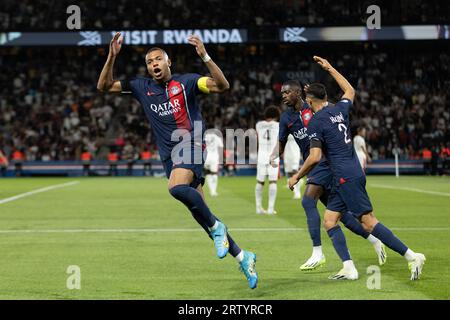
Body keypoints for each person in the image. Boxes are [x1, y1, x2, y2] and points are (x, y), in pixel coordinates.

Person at [97, 32, 257, 289]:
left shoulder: (188, 82)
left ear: (168, 62)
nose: (154, 64)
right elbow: (103, 86)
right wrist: (111, 57)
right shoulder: (141, 87)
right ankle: (242, 256)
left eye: (158, 59)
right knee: (199, 213)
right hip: (169, 156)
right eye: (149, 62)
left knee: (176, 189)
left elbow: (222, 85)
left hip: (191, 144)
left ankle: (219, 227)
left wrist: (204, 55)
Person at [289, 56, 425, 280]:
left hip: (345, 177)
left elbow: (314, 157)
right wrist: (331, 68)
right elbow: (350, 90)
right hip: (350, 172)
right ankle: (349, 268)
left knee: (368, 222)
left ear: (310, 101)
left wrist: (296, 176)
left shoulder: (316, 121)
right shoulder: (339, 110)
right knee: (330, 220)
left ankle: (411, 256)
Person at [271, 80, 385, 271]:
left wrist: (298, 175)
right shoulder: (286, 119)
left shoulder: (314, 108)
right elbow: (281, 141)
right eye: (281, 93)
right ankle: (373, 241)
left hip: (323, 161)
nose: (283, 96)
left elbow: (332, 110)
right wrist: (274, 155)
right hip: (315, 164)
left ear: (298, 93)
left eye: (286, 92)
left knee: (308, 201)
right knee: (340, 216)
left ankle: (317, 252)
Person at [255, 106, 280, 215]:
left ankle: (258, 208)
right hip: (273, 156)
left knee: (260, 182)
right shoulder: (278, 125)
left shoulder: (259, 125)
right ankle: (270, 209)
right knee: (273, 181)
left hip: (261, 156)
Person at [204, 131, 223, 197]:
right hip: (214, 158)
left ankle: (211, 190)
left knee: (208, 173)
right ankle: (213, 191)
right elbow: (221, 147)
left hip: (206, 158)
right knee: (214, 174)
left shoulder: (204, 137)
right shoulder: (217, 137)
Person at [284, 134, 302, 199]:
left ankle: (298, 192)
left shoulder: (298, 126)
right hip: (287, 150)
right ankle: (295, 191)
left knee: (294, 171)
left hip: (295, 150)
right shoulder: (284, 126)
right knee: (289, 173)